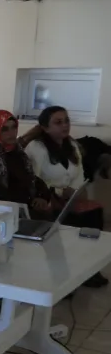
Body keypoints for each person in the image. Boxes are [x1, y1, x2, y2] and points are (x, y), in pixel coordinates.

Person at [25, 106, 107, 286]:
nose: (65, 125)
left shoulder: (71, 145)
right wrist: (62, 192)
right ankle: (62, 273)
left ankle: (89, 268)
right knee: (67, 222)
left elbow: (79, 175)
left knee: (94, 213)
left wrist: (75, 191)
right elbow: (34, 181)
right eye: (58, 122)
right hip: (47, 198)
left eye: (67, 121)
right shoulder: (36, 147)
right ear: (45, 127)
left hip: (70, 198)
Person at [0, 110, 52, 212]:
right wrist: (29, 201)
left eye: (14, 127)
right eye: (4, 129)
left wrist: (41, 196)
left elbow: (30, 178)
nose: (12, 133)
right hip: (0, 209)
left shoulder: (17, 151)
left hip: (26, 206)